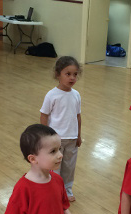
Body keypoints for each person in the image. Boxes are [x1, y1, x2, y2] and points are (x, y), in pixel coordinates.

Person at [40, 56, 82, 202]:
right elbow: (44, 115)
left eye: (75, 74)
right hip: (56, 139)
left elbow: (78, 116)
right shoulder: (52, 95)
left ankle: (67, 189)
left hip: (71, 138)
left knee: (69, 167)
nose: (72, 77)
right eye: (68, 74)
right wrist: (46, 136)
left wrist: (79, 135)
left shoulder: (76, 95)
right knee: (55, 166)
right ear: (58, 74)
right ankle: (55, 189)